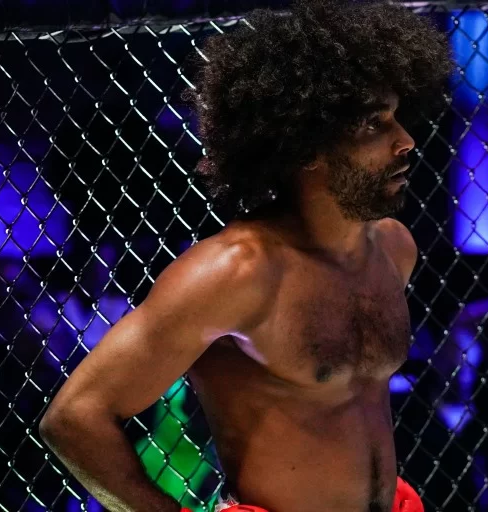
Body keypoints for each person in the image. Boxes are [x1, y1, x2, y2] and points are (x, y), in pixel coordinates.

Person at [38, 1, 453, 511]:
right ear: (308, 145)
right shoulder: (237, 271)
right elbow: (75, 416)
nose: (405, 140)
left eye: (396, 118)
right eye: (374, 123)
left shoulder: (392, 247)